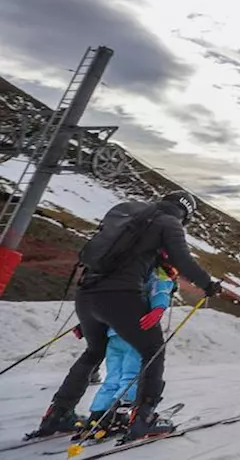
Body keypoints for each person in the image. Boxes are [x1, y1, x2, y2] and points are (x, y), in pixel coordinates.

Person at [29, 190, 221, 443]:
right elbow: (182, 260)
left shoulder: (131, 213)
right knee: (152, 350)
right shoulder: (169, 223)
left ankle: (57, 414)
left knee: (94, 351)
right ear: (186, 214)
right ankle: (143, 418)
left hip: (86, 294)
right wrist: (208, 285)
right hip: (121, 296)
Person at [78, 265, 176, 436]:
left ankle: (98, 415)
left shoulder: (127, 274)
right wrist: (159, 309)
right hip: (137, 332)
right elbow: (161, 291)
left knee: (112, 376)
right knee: (131, 374)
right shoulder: (159, 273)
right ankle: (121, 414)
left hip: (114, 333)